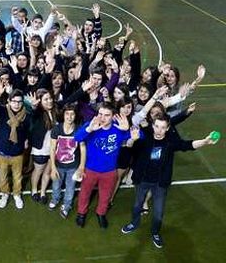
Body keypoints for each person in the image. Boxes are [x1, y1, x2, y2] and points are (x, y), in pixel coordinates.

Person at [121, 115, 219, 248]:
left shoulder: (170, 141)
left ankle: (155, 232)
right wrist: (132, 139)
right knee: (137, 205)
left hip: (160, 183)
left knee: (158, 213)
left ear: (167, 128)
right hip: (142, 180)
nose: (159, 130)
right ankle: (134, 223)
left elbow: (187, 145)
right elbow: (129, 146)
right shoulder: (144, 137)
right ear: (153, 126)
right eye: (156, 126)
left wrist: (205, 141)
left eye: (162, 127)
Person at [74, 103, 133, 229]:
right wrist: (89, 129)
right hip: (90, 170)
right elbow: (77, 138)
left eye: (107, 115)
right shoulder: (92, 125)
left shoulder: (119, 129)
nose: (102, 118)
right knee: (84, 193)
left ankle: (101, 214)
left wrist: (127, 129)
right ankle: (81, 213)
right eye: (100, 114)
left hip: (109, 171)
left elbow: (139, 136)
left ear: (113, 117)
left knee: (105, 195)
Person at [0, 88, 31, 209]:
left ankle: (16, 194)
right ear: (9, 101)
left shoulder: (26, 116)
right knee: (2, 176)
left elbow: (27, 131)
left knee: (17, 176)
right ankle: (4, 194)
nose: (17, 104)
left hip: (17, 153)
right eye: (14, 101)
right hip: (2, 152)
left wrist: (25, 140)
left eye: (19, 102)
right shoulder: (3, 112)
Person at [49, 104, 86, 218]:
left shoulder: (80, 130)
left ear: (75, 116)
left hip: (73, 166)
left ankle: (67, 205)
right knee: (56, 185)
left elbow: (83, 149)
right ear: (63, 115)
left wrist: (81, 167)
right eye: (67, 114)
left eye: (72, 114)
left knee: (70, 188)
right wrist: (53, 167)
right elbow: (52, 148)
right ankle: (55, 199)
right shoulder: (56, 129)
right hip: (59, 165)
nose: (69, 117)